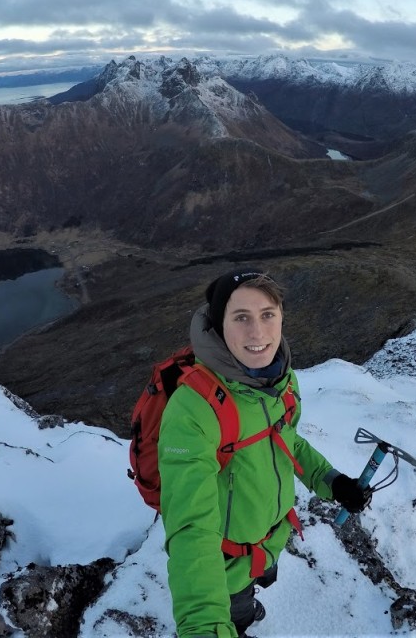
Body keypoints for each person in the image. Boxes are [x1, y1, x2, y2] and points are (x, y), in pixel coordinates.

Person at [158, 268, 371, 637]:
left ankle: (249, 599)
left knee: (257, 580)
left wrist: (332, 483)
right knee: (235, 606)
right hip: (227, 561)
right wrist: (204, 628)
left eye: (267, 315)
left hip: (270, 539)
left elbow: (287, 440)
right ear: (218, 324)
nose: (257, 333)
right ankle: (238, 621)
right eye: (241, 317)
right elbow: (191, 530)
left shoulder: (281, 380)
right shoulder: (194, 409)